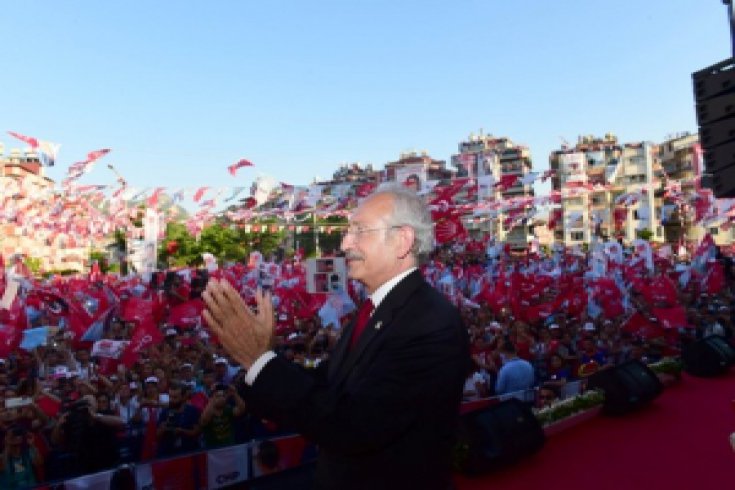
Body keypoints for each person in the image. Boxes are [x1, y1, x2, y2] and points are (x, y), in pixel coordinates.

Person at [204, 184, 469, 490]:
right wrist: (259, 365)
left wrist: (260, 360)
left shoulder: (429, 322)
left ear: (401, 240)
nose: (345, 243)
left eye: (359, 230)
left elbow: (353, 426)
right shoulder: (372, 311)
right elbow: (328, 387)